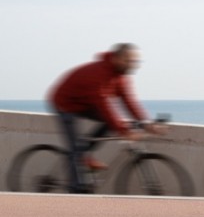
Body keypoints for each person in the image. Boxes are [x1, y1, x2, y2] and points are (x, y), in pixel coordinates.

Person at [48, 43, 166, 193]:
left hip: (86, 103)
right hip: (65, 103)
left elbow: (129, 101)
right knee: (75, 149)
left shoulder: (121, 76)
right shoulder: (99, 73)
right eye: (128, 61)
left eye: (135, 62)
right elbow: (103, 105)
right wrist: (124, 131)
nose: (132, 65)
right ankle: (76, 189)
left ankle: (84, 154)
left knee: (112, 125)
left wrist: (146, 124)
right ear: (116, 58)